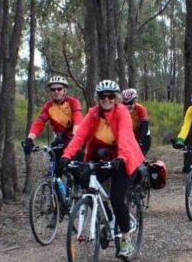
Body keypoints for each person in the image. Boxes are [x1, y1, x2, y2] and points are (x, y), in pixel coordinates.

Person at [58, 80, 144, 259]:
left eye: (110, 96)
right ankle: (108, 216)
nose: (107, 99)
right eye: (102, 96)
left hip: (125, 158)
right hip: (101, 157)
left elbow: (125, 135)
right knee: (86, 181)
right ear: (98, 98)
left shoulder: (122, 112)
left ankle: (126, 239)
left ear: (116, 97)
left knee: (116, 197)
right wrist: (66, 156)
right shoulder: (93, 113)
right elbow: (79, 136)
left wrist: (120, 156)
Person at [22, 76, 83, 159]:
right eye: (53, 90)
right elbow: (39, 123)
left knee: (76, 166)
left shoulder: (73, 102)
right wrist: (30, 139)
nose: (56, 91)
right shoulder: (48, 106)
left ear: (65, 90)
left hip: (75, 139)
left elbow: (78, 119)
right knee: (55, 166)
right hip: (60, 140)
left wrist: (74, 137)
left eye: (59, 89)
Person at [121, 88, 151, 155]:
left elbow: (145, 125)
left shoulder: (140, 109)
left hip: (138, 133)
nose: (128, 105)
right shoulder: (120, 110)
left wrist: (140, 141)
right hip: (126, 134)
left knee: (146, 136)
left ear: (135, 101)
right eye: (125, 103)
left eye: (130, 102)